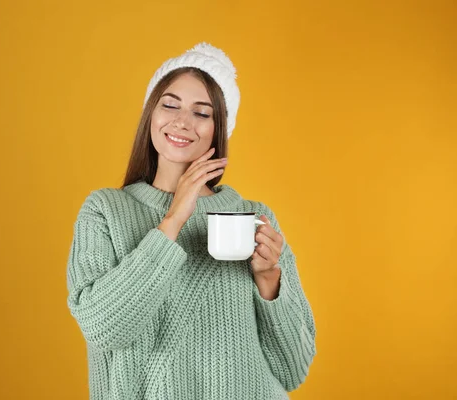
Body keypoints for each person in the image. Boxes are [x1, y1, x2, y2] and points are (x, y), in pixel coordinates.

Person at [66, 42, 316, 400]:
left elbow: (293, 369)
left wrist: (269, 280)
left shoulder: (255, 218)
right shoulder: (104, 210)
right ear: (151, 114)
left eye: (203, 113)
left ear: (220, 130)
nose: (182, 122)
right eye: (170, 105)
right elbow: (104, 329)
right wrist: (173, 220)